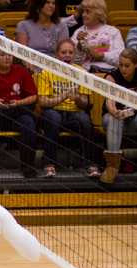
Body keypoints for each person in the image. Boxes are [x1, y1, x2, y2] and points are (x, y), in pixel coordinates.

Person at [38, 39, 99, 178]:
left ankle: (90, 165)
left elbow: (85, 103)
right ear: (56, 54)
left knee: (84, 120)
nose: (67, 55)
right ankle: (49, 164)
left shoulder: (81, 72)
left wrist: (77, 98)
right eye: (63, 52)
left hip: (74, 111)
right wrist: (62, 97)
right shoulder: (46, 71)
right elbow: (43, 102)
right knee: (53, 118)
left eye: (70, 52)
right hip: (53, 110)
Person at [0, 48, 39, 179]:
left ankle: (28, 166)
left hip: (17, 112)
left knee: (29, 124)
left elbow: (33, 97)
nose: (7, 57)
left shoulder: (22, 71)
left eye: (9, 54)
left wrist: (18, 103)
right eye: (2, 54)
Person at [100, 48, 137, 184]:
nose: (123, 69)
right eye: (120, 65)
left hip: (134, 119)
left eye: (127, 65)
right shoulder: (112, 77)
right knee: (114, 119)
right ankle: (112, 167)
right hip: (112, 119)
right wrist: (116, 112)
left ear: (136, 64)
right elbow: (110, 103)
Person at [70, 0, 123, 73]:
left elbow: (120, 58)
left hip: (107, 74)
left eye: (88, 12)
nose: (83, 15)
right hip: (83, 75)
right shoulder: (78, 33)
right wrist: (79, 48)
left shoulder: (113, 32)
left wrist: (103, 56)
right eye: (83, 11)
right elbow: (71, 62)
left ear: (99, 14)